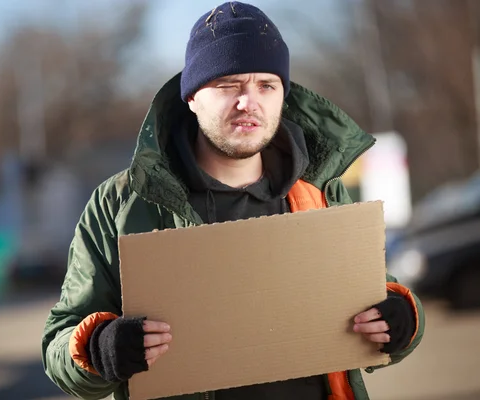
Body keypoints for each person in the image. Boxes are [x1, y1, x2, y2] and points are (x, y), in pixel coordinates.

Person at [41, 2, 425, 399]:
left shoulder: (319, 190)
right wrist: (99, 348)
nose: (248, 102)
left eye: (266, 85)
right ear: (191, 97)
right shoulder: (122, 203)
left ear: (282, 96)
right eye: (228, 85)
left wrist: (400, 321)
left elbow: (381, 295)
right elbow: (60, 341)